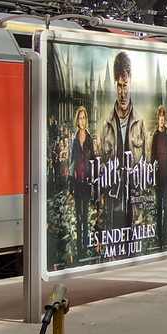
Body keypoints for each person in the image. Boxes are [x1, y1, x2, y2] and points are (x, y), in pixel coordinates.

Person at [98, 51, 147, 230]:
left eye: (125, 86)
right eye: (119, 86)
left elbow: (146, 162)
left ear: (131, 84)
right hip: (112, 198)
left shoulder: (140, 122)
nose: (122, 92)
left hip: (133, 199)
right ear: (114, 85)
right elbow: (101, 166)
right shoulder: (105, 125)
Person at [68, 106, 96, 259]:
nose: (82, 121)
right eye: (80, 118)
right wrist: (70, 187)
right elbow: (72, 162)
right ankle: (79, 249)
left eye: (84, 118)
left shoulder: (90, 139)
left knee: (85, 216)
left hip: (87, 182)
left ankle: (85, 247)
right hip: (78, 183)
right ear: (77, 121)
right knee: (79, 216)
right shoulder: (74, 140)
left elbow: (92, 160)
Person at [150, 105, 167, 249]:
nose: (162, 121)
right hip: (158, 178)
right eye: (160, 118)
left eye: (164, 118)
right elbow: (152, 159)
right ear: (157, 119)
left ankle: (165, 237)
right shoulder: (155, 136)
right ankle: (159, 237)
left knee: (166, 208)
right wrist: (152, 179)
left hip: (166, 178)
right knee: (158, 209)